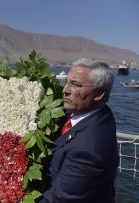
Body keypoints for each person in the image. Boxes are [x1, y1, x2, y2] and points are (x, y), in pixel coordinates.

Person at [40, 58, 118, 203]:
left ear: (99, 94)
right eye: (66, 82)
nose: (65, 90)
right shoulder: (90, 113)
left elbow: (60, 199)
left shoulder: (89, 150)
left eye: (75, 85)